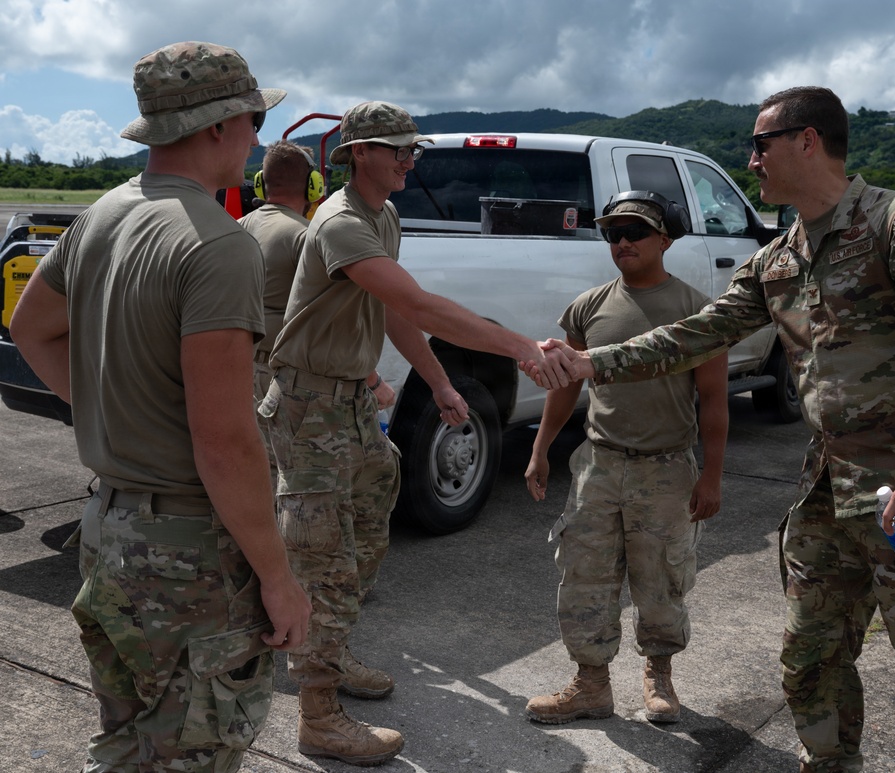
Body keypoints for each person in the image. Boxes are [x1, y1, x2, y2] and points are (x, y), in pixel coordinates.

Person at [529, 86, 895, 772]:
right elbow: (695, 335)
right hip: (828, 491)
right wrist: (587, 361)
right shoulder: (779, 257)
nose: (750, 160)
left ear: (806, 142)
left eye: (760, 144)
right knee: (809, 658)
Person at [9, 41, 311, 772]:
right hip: (187, 553)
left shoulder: (106, 213)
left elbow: (29, 326)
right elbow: (224, 439)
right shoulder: (217, 243)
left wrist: (112, 410)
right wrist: (278, 576)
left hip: (107, 528)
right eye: (254, 118)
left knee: (125, 743)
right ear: (216, 125)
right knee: (188, 752)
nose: (260, 138)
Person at [258, 100, 570, 766]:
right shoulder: (341, 221)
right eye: (398, 150)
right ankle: (318, 715)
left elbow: (399, 311)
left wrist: (443, 383)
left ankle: (330, 646)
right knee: (324, 560)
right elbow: (425, 305)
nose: (409, 160)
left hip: (346, 402)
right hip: (308, 404)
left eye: (412, 151)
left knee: (377, 502)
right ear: (360, 153)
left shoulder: (385, 216)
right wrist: (520, 345)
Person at [522, 191, 729, 726]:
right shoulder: (588, 307)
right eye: (613, 233)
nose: (623, 242)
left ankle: (659, 678)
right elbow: (565, 386)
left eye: (636, 231)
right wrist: (541, 448)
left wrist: (711, 475)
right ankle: (591, 686)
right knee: (584, 575)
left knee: (661, 579)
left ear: (665, 239)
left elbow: (714, 401)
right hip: (599, 465)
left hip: (666, 470)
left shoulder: (697, 312)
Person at [238, 139, 315, 481]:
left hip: (232, 359)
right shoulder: (305, 236)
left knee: (242, 457)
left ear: (260, 183)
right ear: (314, 186)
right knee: (282, 467)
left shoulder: (236, 228)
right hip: (276, 371)